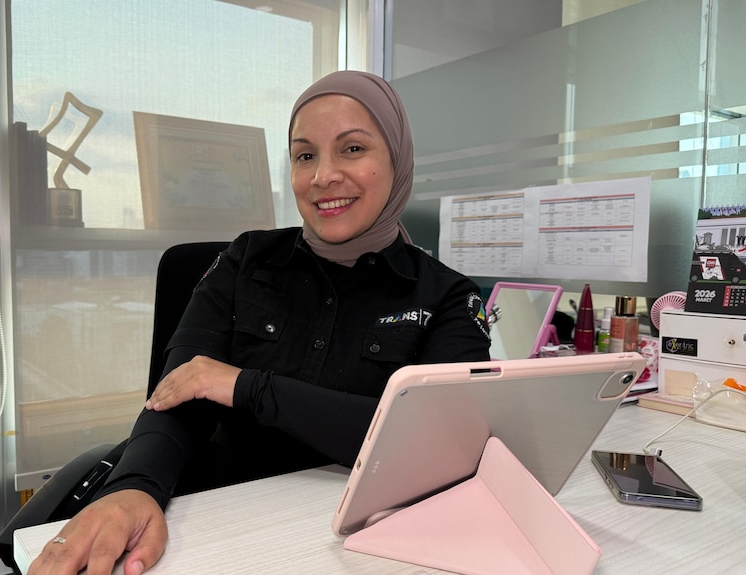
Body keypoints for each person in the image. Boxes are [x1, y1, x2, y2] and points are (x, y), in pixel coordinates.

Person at [27, 70, 491, 575]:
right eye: (305, 155)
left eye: (352, 149)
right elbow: (178, 396)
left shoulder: (449, 296)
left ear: (397, 160)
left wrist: (247, 388)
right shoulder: (245, 260)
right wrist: (134, 487)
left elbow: (435, 445)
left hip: (363, 544)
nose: (323, 177)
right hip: (221, 528)